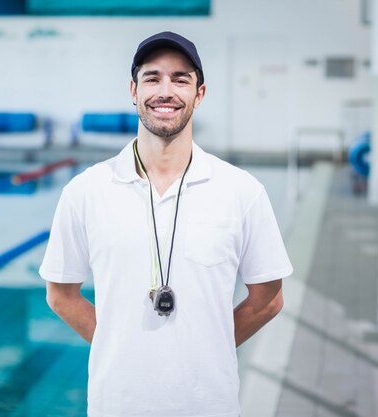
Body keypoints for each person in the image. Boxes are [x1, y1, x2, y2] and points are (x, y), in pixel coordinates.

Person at [39, 31, 293, 417]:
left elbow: (269, 298)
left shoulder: (242, 191)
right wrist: (122, 350)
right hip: (116, 404)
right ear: (133, 90)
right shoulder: (86, 191)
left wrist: (208, 351)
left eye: (180, 79)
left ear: (200, 94)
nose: (166, 90)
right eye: (153, 77)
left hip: (208, 405)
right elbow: (60, 295)